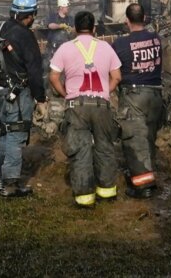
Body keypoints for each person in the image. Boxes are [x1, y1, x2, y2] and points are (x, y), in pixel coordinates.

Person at [48, 11, 122, 208]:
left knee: (80, 150)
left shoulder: (65, 48)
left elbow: (53, 77)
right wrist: (105, 92)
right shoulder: (106, 47)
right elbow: (117, 77)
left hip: (76, 107)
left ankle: (84, 198)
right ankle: (107, 192)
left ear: (74, 28)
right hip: (101, 106)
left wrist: (66, 94)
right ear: (94, 28)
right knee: (105, 148)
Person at [0, 0, 48, 197]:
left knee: (4, 133)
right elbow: (34, 70)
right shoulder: (25, 35)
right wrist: (40, 98)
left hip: (0, 93)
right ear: (30, 16)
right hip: (19, 95)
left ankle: (0, 182)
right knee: (16, 134)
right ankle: (10, 184)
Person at [111, 2, 164, 197]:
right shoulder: (156, 39)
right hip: (156, 95)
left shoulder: (120, 44)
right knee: (148, 138)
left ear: (127, 21)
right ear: (144, 18)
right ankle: (149, 175)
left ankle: (143, 188)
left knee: (135, 140)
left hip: (134, 96)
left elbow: (113, 71)